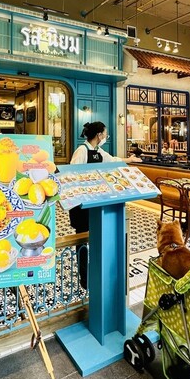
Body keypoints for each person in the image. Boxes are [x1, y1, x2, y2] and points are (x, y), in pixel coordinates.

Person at [69, 121, 125, 289]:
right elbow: (71, 174)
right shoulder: (81, 151)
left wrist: (129, 159)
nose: (106, 137)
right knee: (82, 238)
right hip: (81, 203)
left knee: (94, 236)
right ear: (99, 135)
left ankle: (94, 272)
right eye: (105, 134)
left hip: (95, 201)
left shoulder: (98, 151)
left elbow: (112, 160)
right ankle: (84, 278)